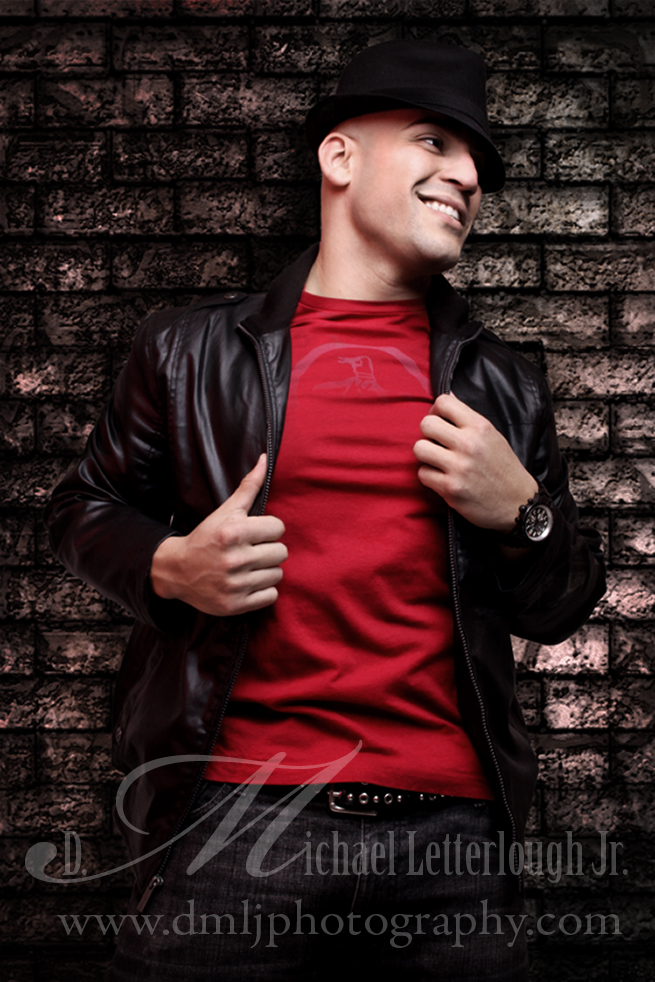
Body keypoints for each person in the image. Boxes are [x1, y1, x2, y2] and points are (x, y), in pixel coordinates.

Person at [45, 40, 605, 982]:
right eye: (434, 141)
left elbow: (559, 607)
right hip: (230, 823)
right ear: (339, 157)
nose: (468, 177)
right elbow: (79, 506)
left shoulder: (503, 384)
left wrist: (523, 514)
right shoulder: (187, 350)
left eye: (477, 161)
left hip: (454, 842)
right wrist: (170, 566)